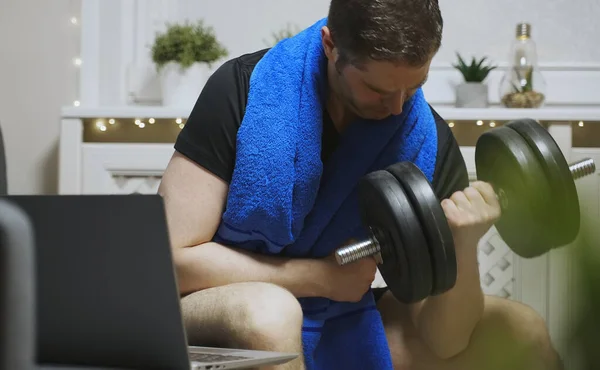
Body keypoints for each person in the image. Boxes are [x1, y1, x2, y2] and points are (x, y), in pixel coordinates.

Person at [158, 1, 564, 369]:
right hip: (214, 302)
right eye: (377, 89)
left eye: (415, 86)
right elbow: (167, 262)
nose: (398, 107)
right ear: (331, 45)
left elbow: (445, 341)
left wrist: (465, 243)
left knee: (520, 328)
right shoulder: (244, 90)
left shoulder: (427, 141)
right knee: (271, 313)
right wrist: (318, 278)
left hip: (341, 310)